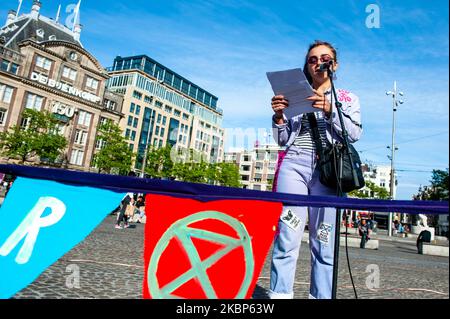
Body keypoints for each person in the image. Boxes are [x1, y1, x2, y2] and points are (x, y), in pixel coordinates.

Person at [270, 40, 362, 299]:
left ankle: (320, 296)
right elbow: (282, 139)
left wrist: (331, 109)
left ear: (334, 64)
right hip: (294, 166)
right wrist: (279, 117)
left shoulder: (347, 98)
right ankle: (279, 295)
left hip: (328, 171)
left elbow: (354, 134)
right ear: (307, 66)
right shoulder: (294, 94)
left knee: (324, 240)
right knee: (287, 235)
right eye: (312, 59)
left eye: (324, 57)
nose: (318, 62)